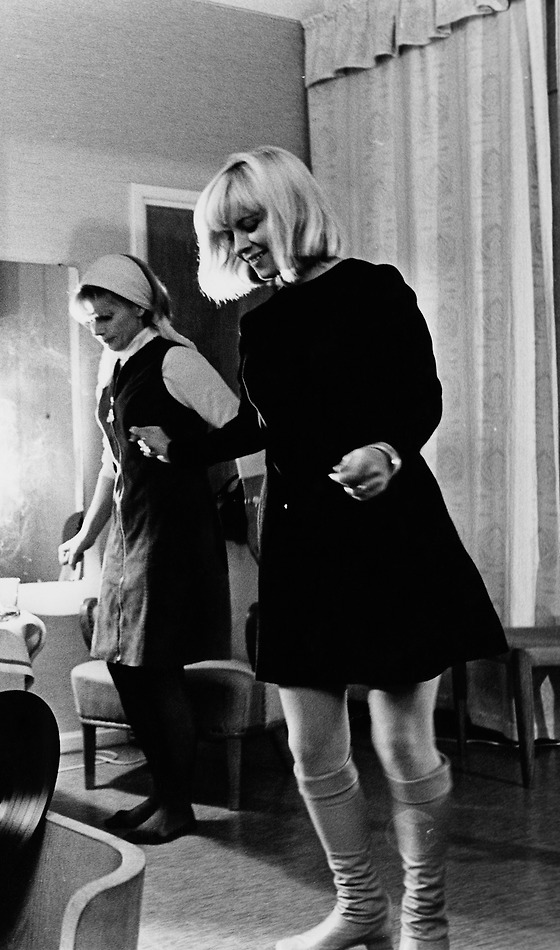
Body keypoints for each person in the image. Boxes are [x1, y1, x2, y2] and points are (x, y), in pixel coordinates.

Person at [133, 146, 506, 950]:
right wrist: (183, 447)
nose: (242, 244)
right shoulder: (260, 322)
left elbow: (421, 395)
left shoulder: (374, 288)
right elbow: (261, 425)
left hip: (391, 535)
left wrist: (388, 450)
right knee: (311, 747)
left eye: (250, 223)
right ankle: (360, 908)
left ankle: (425, 920)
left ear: (291, 207)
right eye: (227, 234)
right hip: (302, 545)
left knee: (401, 741)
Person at [57, 253, 239, 844]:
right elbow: (113, 463)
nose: (97, 329)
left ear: (139, 307)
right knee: (125, 665)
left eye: (107, 316)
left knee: (154, 667)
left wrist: (182, 449)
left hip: (174, 530)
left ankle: (178, 806)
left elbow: (240, 427)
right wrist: (86, 534)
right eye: (91, 320)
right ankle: (164, 793)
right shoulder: (113, 367)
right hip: (130, 530)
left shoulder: (175, 360)